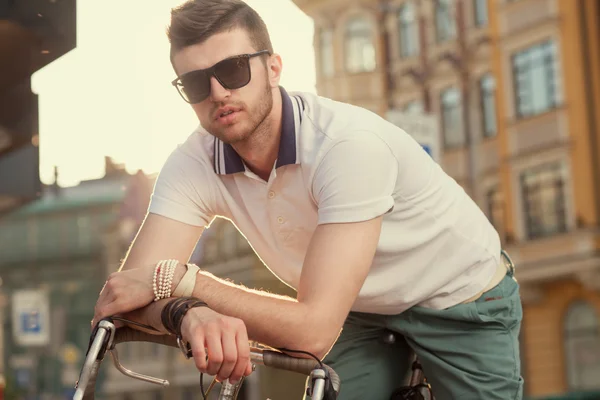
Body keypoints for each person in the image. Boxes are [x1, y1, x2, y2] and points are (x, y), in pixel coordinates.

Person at [92, 0, 524, 398]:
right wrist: (187, 311)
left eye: (234, 70)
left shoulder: (346, 145)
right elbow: (125, 295)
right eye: (194, 82)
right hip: (354, 308)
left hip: (457, 296)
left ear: (274, 68)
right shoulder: (192, 161)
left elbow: (313, 330)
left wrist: (186, 282)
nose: (218, 92)